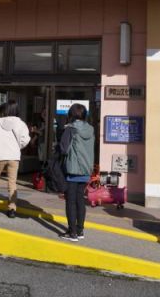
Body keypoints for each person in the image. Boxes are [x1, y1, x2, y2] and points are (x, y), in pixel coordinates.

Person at [58, 103, 95, 242]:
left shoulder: (70, 129)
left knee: (71, 201)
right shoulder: (90, 129)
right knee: (80, 200)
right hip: (86, 169)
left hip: (73, 169)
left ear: (71, 115)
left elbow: (63, 149)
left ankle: (72, 232)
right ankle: (80, 230)